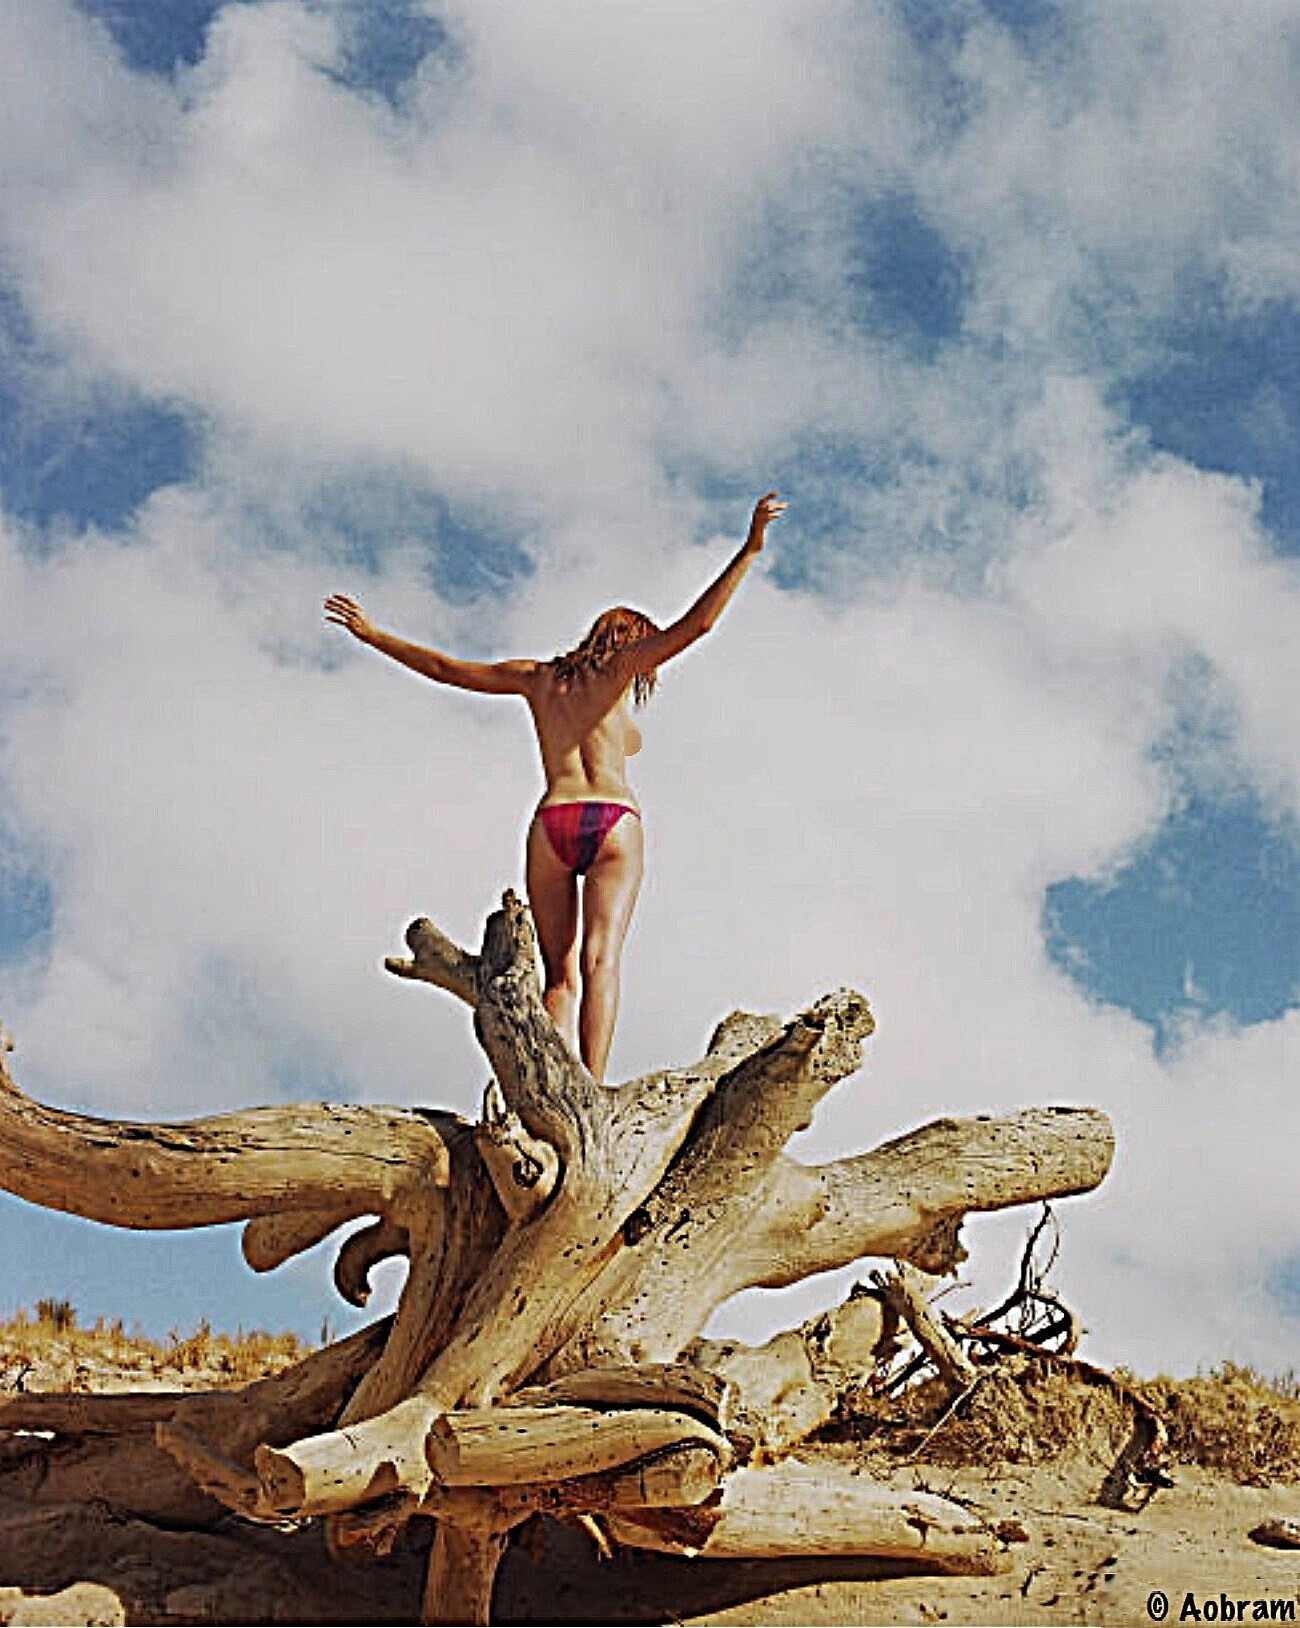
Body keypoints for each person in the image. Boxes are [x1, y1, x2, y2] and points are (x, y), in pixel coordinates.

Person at [325, 491, 784, 1082]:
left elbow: (446, 669)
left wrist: (374, 635)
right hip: (613, 821)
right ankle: (590, 1085)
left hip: (553, 822)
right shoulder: (622, 671)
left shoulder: (537, 679)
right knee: (602, 960)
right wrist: (748, 551)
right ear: (632, 645)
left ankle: (547, 1081)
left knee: (559, 975)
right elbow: (698, 624)